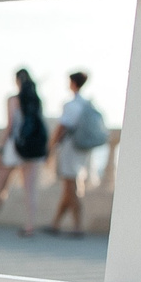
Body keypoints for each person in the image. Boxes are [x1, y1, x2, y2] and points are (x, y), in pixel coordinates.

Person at [0, 69, 49, 236]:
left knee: (1, 188)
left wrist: (0, 150)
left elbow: (10, 126)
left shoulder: (13, 99)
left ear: (17, 81)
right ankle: (30, 226)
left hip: (13, 149)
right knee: (30, 191)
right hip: (32, 150)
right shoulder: (37, 100)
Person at [46, 70, 109, 236]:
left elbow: (62, 127)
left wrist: (50, 147)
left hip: (70, 148)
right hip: (82, 149)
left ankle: (77, 226)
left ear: (73, 83)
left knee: (70, 186)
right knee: (69, 187)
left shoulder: (71, 105)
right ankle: (56, 224)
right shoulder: (87, 104)